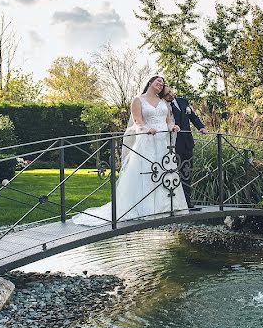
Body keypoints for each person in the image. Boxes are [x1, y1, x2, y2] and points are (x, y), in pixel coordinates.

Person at [73, 76, 189, 225]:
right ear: (150, 83)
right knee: (148, 173)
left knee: (164, 172)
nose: (161, 85)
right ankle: (147, 209)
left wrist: (173, 127)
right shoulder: (138, 100)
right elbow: (137, 121)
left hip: (163, 143)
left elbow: (168, 121)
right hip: (147, 141)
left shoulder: (163, 103)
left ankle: (168, 206)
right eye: (158, 81)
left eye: (162, 83)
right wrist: (146, 129)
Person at [162, 85, 207, 208]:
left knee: (187, 171)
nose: (170, 95)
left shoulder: (183, 101)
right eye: (167, 94)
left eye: (170, 92)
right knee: (173, 173)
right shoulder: (163, 106)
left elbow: (192, 116)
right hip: (172, 144)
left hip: (187, 142)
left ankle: (187, 201)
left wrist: (201, 127)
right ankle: (174, 203)